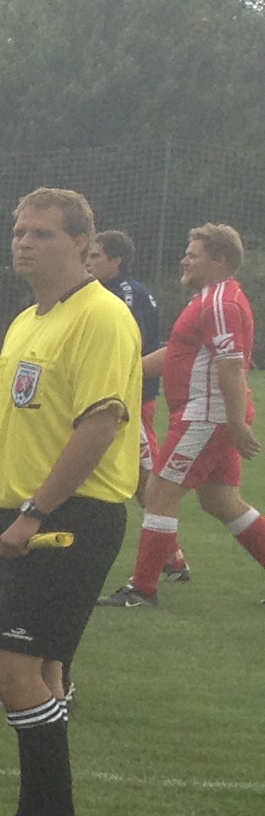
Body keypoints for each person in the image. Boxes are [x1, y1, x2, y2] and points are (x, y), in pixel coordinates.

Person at [0, 187, 141, 816]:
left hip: (69, 519)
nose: (24, 243)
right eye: (19, 231)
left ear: (83, 244)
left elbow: (99, 427)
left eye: (42, 233)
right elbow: (8, 430)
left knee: (12, 668)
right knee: (34, 672)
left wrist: (32, 514)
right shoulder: (27, 320)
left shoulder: (102, 318)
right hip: (18, 514)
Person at [111, 223, 259, 605]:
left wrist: (236, 421)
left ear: (219, 259)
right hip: (209, 416)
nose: (184, 260)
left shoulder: (219, 303)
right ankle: (146, 585)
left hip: (204, 417)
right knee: (221, 501)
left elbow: (231, 365)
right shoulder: (210, 298)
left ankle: (142, 589)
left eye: (193, 255)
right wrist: (125, 372)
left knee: (159, 491)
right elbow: (178, 352)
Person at [88, 227, 177, 575]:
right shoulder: (116, 291)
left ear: (116, 260)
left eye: (95, 256)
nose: (89, 262)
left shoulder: (123, 295)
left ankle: (170, 557)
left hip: (132, 398)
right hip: (125, 396)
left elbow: (126, 345)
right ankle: (171, 556)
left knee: (146, 479)